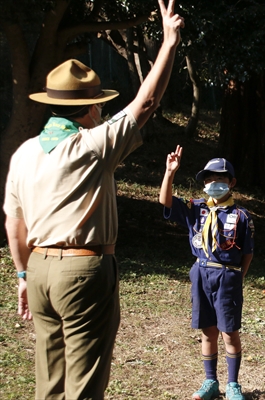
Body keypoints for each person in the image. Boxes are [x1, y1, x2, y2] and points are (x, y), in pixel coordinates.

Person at [2, 1, 183, 398]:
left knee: (49, 382)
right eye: (99, 101)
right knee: (84, 384)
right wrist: (169, 44)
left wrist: (21, 275)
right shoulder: (91, 145)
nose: (103, 107)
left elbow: (14, 223)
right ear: (87, 109)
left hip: (37, 271)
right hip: (82, 272)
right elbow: (146, 103)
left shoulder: (25, 152)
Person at [159, 148, 254, 400]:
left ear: (231, 183)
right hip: (201, 273)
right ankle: (210, 380)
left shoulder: (241, 215)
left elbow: (247, 252)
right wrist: (170, 173)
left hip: (227, 276)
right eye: (209, 179)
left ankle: (233, 384)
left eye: (220, 179)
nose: (214, 183)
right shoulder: (196, 208)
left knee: (229, 332)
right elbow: (165, 202)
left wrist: (238, 277)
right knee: (207, 330)